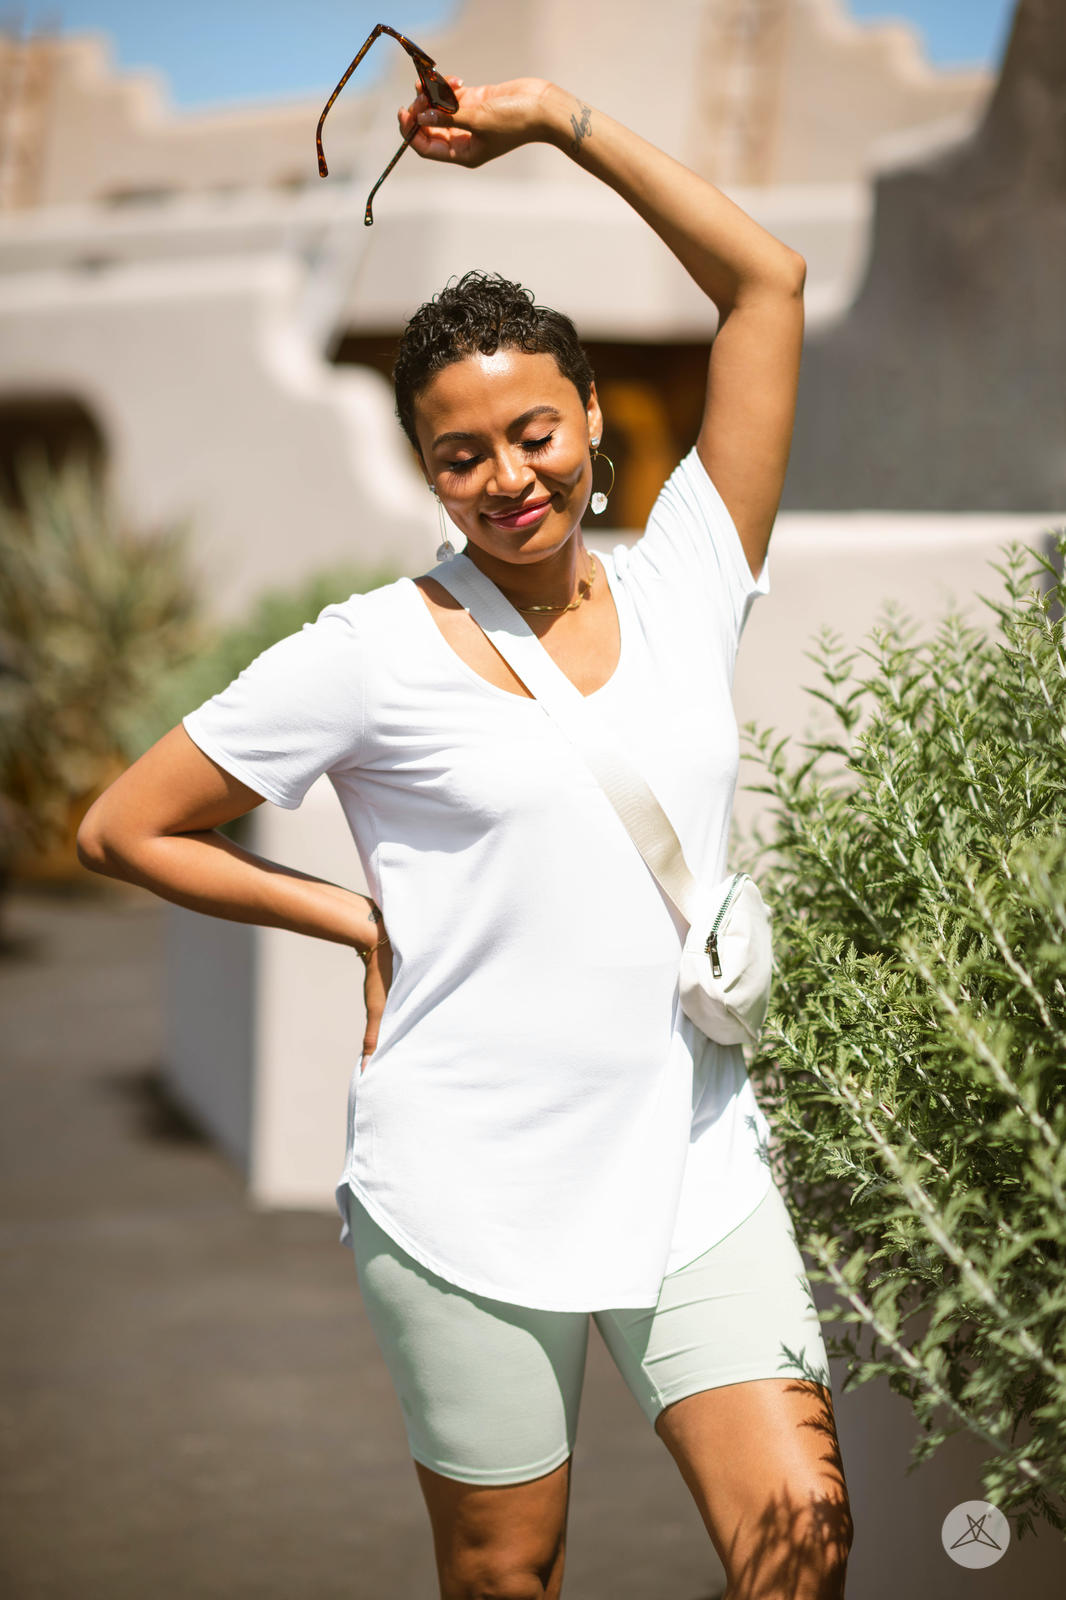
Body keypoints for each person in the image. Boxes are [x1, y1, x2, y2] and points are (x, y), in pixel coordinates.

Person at [77, 72, 853, 1600]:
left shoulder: (688, 574)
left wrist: (558, 120)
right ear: (427, 470)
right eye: (460, 453)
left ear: (590, 422)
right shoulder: (367, 652)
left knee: (802, 1546)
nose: (508, 476)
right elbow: (122, 827)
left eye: (534, 431)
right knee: (507, 1576)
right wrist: (352, 921)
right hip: (467, 1183)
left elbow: (766, 282)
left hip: (694, 1157)